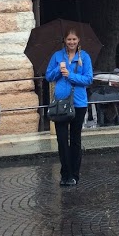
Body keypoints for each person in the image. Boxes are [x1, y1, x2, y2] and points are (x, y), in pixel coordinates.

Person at [45, 27, 93, 187]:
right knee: (61, 140)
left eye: (74, 39)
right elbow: (48, 76)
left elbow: (88, 79)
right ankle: (65, 174)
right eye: (69, 39)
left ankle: (74, 174)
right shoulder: (57, 56)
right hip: (61, 103)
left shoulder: (84, 57)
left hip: (78, 103)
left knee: (75, 140)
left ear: (78, 40)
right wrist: (59, 70)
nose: (71, 42)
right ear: (64, 41)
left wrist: (70, 75)